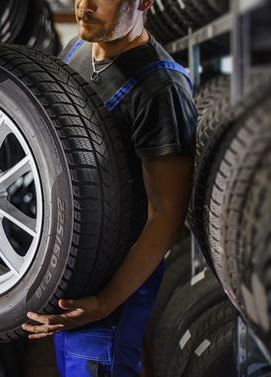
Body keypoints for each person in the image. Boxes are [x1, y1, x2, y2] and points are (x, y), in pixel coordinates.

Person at [20, 1, 197, 376]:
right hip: (71, 272)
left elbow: (166, 215)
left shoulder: (161, 89)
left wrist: (106, 300)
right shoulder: (77, 50)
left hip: (111, 290)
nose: (85, 4)